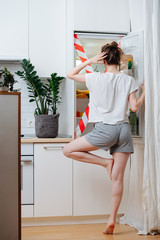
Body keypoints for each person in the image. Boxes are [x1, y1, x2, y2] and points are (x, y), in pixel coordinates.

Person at [63, 41, 145, 234]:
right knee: (118, 180)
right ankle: (111, 220)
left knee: (68, 150)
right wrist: (145, 93)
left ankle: (105, 163)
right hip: (124, 131)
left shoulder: (94, 77)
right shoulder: (128, 80)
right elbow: (134, 108)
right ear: (119, 59)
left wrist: (89, 60)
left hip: (105, 130)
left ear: (103, 59)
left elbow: (70, 74)